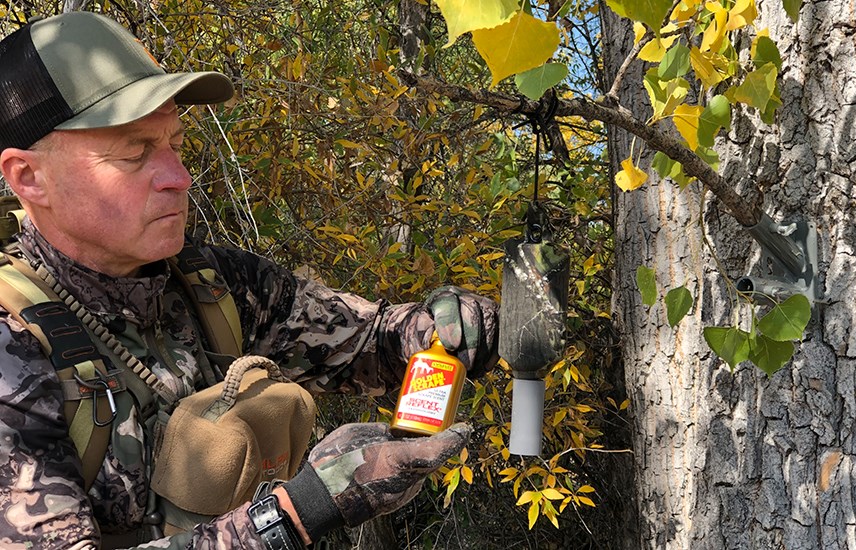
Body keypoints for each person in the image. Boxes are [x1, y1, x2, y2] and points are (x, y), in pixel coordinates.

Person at [0, 11, 499, 550]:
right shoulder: (12, 345)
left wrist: (444, 328)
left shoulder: (211, 282)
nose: (179, 178)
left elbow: (367, 340)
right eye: (135, 152)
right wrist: (301, 511)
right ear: (29, 177)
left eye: (175, 145)